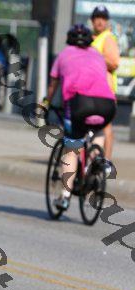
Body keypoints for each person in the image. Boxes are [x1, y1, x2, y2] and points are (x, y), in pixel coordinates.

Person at [44, 24, 116, 210]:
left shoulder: (64, 55)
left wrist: (46, 103)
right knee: (99, 132)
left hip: (79, 103)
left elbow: (53, 85)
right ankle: (97, 160)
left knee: (72, 148)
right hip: (107, 104)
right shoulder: (97, 55)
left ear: (69, 40)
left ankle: (65, 196)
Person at [91, 5, 120, 161]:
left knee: (106, 127)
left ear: (107, 21)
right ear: (92, 20)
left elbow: (114, 63)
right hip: (91, 91)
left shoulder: (108, 38)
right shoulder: (94, 39)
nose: (100, 21)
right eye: (97, 18)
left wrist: (96, 55)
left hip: (106, 92)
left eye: (103, 18)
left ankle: (106, 162)